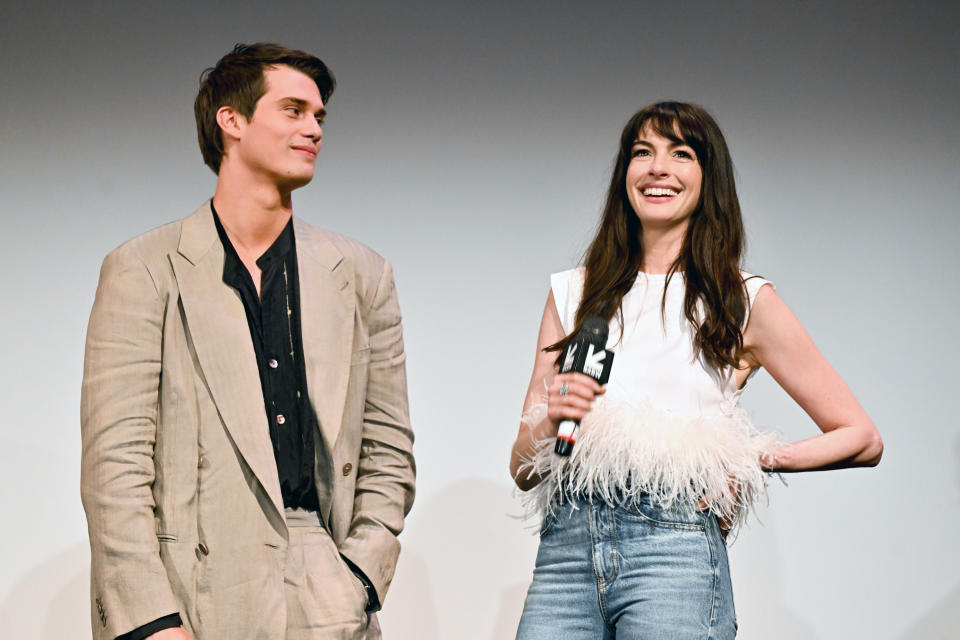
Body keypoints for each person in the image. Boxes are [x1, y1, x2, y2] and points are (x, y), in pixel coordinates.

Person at [509, 101, 882, 639]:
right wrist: (552, 419)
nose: (658, 168)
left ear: (708, 180)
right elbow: (522, 471)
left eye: (680, 154)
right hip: (565, 552)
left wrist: (747, 457)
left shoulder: (740, 298)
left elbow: (862, 438)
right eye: (643, 153)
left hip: (674, 549)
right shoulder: (573, 292)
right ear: (625, 175)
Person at [80, 43, 415, 640]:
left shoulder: (361, 274)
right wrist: (151, 620)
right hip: (192, 586)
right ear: (230, 121)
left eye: (319, 117)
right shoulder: (146, 268)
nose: (313, 128)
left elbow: (389, 445)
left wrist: (359, 575)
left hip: (324, 587)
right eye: (293, 110)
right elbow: (115, 466)